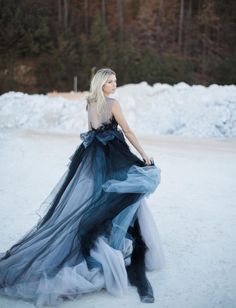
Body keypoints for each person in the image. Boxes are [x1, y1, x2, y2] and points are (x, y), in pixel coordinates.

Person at [0, 68, 165, 307]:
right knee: (125, 190)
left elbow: (90, 132)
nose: (114, 85)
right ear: (101, 84)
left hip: (93, 156)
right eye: (110, 82)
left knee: (102, 195)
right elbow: (127, 131)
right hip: (114, 156)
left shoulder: (90, 103)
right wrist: (143, 154)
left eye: (115, 81)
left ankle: (115, 235)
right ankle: (120, 240)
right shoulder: (112, 103)